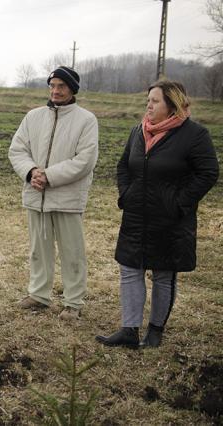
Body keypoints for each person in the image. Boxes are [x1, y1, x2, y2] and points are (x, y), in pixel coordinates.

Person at [96, 81, 219, 348]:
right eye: (147, 100)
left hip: (170, 219)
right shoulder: (138, 131)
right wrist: (126, 193)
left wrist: (179, 202)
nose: (148, 105)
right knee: (130, 269)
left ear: (172, 105)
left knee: (163, 273)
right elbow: (123, 166)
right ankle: (129, 330)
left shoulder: (194, 135)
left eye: (155, 101)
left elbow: (208, 173)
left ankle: (155, 330)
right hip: (136, 215)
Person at [9, 66, 99, 320]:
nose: (56, 91)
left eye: (61, 86)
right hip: (36, 195)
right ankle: (38, 294)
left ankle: (73, 302)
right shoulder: (33, 117)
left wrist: (49, 175)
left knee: (72, 252)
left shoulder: (86, 120)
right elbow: (17, 150)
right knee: (38, 249)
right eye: (52, 85)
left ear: (72, 89)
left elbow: (85, 160)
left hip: (67, 198)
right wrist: (31, 172)